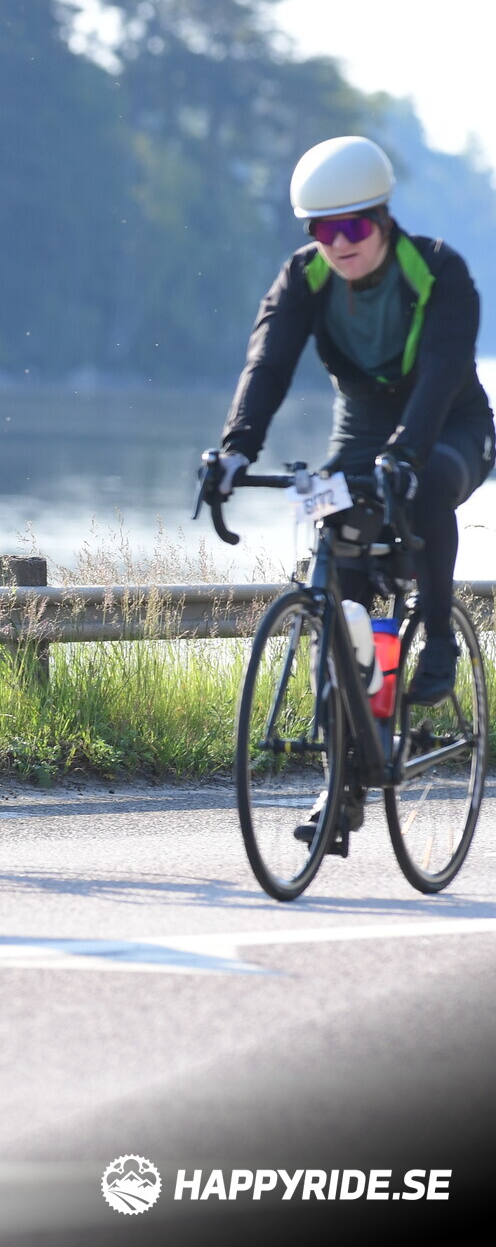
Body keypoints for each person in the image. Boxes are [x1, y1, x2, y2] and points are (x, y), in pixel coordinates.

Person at [206, 135, 493, 846]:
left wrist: (406, 453)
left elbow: (442, 371)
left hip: (449, 421)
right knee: (336, 557)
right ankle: (346, 781)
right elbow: (268, 363)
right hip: (362, 424)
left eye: (354, 226)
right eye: (322, 229)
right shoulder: (303, 277)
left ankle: (438, 640)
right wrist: (236, 449)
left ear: (383, 218)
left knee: (422, 487)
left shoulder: (439, 270)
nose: (338, 243)